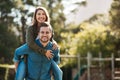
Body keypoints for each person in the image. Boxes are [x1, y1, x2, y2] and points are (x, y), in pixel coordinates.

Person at [14, 7, 62, 80]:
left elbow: (50, 38)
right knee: (20, 76)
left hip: (44, 58)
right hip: (29, 55)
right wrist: (44, 52)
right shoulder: (31, 28)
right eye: (38, 14)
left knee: (58, 72)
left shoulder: (48, 27)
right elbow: (30, 44)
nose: (41, 16)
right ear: (35, 16)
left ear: (46, 16)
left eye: (43, 14)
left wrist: (54, 43)